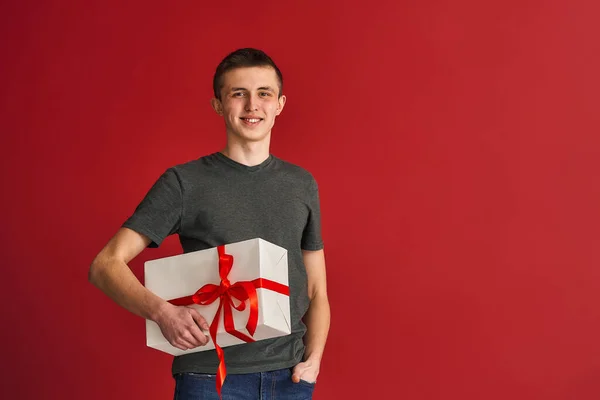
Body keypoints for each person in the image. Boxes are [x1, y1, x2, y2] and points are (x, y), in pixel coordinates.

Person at [88, 48, 330, 400]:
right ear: (218, 105)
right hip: (209, 377)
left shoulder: (301, 184)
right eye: (238, 94)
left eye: (264, 93)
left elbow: (317, 289)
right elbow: (104, 266)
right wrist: (162, 313)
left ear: (279, 104)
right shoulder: (184, 183)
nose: (252, 105)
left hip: (290, 378)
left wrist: (314, 360)